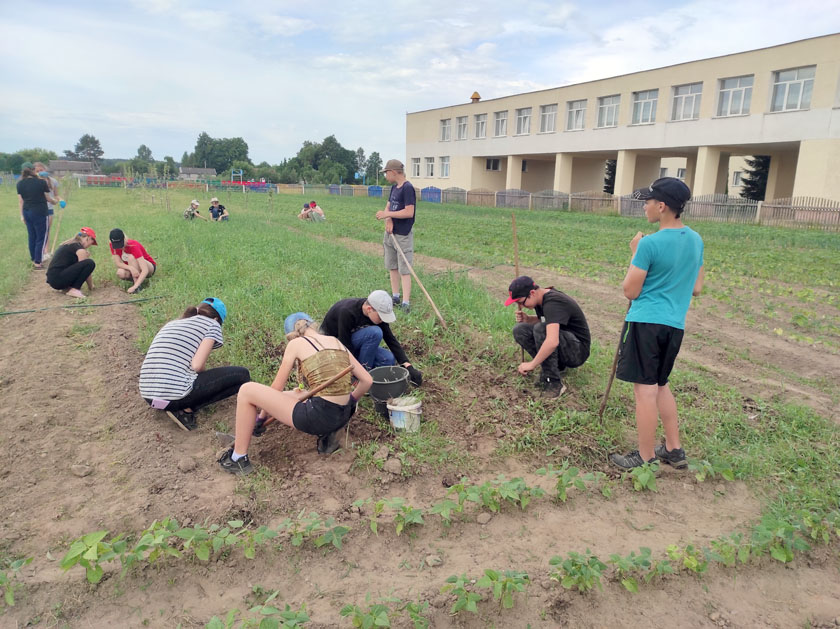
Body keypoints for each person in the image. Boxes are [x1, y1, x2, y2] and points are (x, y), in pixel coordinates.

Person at [609, 177, 704, 470]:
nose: (645, 208)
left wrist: (636, 252)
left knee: (645, 391)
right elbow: (697, 287)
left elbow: (630, 290)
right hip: (675, 324)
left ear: (661, 206)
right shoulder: (696, 240)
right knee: (661, 385)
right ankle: (674, 450)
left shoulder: (649, 244)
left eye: (648, 202)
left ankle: (645, 456)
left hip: (646, 322)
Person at [218, 312, 372, 475]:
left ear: (291, 334)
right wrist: (349, 402)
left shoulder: (297, 344)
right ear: (313, 325)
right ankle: (329, 433)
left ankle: (238, 458)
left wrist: (261, 418)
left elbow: (276, 388)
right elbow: (367, 381)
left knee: (246, 390)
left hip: (319, 417)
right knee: (298, 393)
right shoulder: (336, 342)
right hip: (342, 415)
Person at [139, 298, 250, 431]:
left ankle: (177, 405)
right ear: (216, 319)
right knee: (242, 375)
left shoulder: (173, 323)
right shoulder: (212, 324)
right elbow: (197, 366)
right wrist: (207, 382)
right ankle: (183, 411)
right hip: (174, 396)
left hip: (148, 395)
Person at [505, 276, 591, 397]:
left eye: (521, 302)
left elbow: (552, 341)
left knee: (541, 330)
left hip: (577, 351)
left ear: (532, 293)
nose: (522, 306)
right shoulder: (540, 300)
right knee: (520, 330)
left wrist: (532, 364)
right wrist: (529, 319)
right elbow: (549, 321)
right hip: (565, 343)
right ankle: (554, 366)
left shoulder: (553, 303)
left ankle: (554, 383)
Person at [320, 290, 422, 385]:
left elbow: (390, 340)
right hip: (335, 348)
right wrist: (354, 372)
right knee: (375, 333)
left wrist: (408, 366)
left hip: (354, 344)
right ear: (369, 309)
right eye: (381, 316)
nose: (382, 320)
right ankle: (361, 378)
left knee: (388, 359)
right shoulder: (347, 312)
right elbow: (345, 345)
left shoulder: (375, 315)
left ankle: (366, 374)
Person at [375, 159, 416, 313]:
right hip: (390, 234)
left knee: (404, 269)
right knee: (392, 265)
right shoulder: (394, 188)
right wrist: (388, 218)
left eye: (386, 173)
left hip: (403, 235)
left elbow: (408, 212)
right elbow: (389, 206)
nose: (386, 176)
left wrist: (388, 214)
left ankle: (406, 302)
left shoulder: (407, 188)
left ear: (393, 172)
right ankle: (396, 296)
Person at [17, 162, 59, 269]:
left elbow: (20, 201)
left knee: (32, 236)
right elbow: (48, 198)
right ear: (33, 170)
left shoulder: (20, 184)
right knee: (41, 237)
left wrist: (21, 215)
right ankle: (38, 262)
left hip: (27, 212)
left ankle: (33, 259)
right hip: (40, 212)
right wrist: (54, 202)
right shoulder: (41, 183)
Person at [46, 227, 97, 298]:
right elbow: (85, 267)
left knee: (87, 262)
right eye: (92, 242)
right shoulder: (79, 249)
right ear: (88, 238)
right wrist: (91, 286)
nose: (90, 245)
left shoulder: (70, 244)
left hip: (53, 279)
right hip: (58, 279)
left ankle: (68, 288)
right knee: (90, 263)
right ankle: (75, 289)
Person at [109, 228, 156, 294]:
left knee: (131, 257)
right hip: (132, 266)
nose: (119, 247)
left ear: (124, 239)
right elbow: (118, 263)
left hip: (148, 267)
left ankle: (137, 286)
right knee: (120, 272)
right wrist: (131, 268)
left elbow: (145, 270)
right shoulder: (112, 246)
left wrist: (135, 286)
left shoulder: (133, 245)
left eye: (120, 244)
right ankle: (138, 280)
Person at [34, 162, 59, 261]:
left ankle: (46, 252)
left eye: (41, 170)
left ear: (45, 170)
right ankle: (37, 253)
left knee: (46, 231)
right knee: (38, 232)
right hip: (37, 209)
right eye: (37, 171)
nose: (40, 172)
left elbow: (56, 195)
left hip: (49, 208)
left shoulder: (52, 181)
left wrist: (60, 200)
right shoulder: (34, 181)